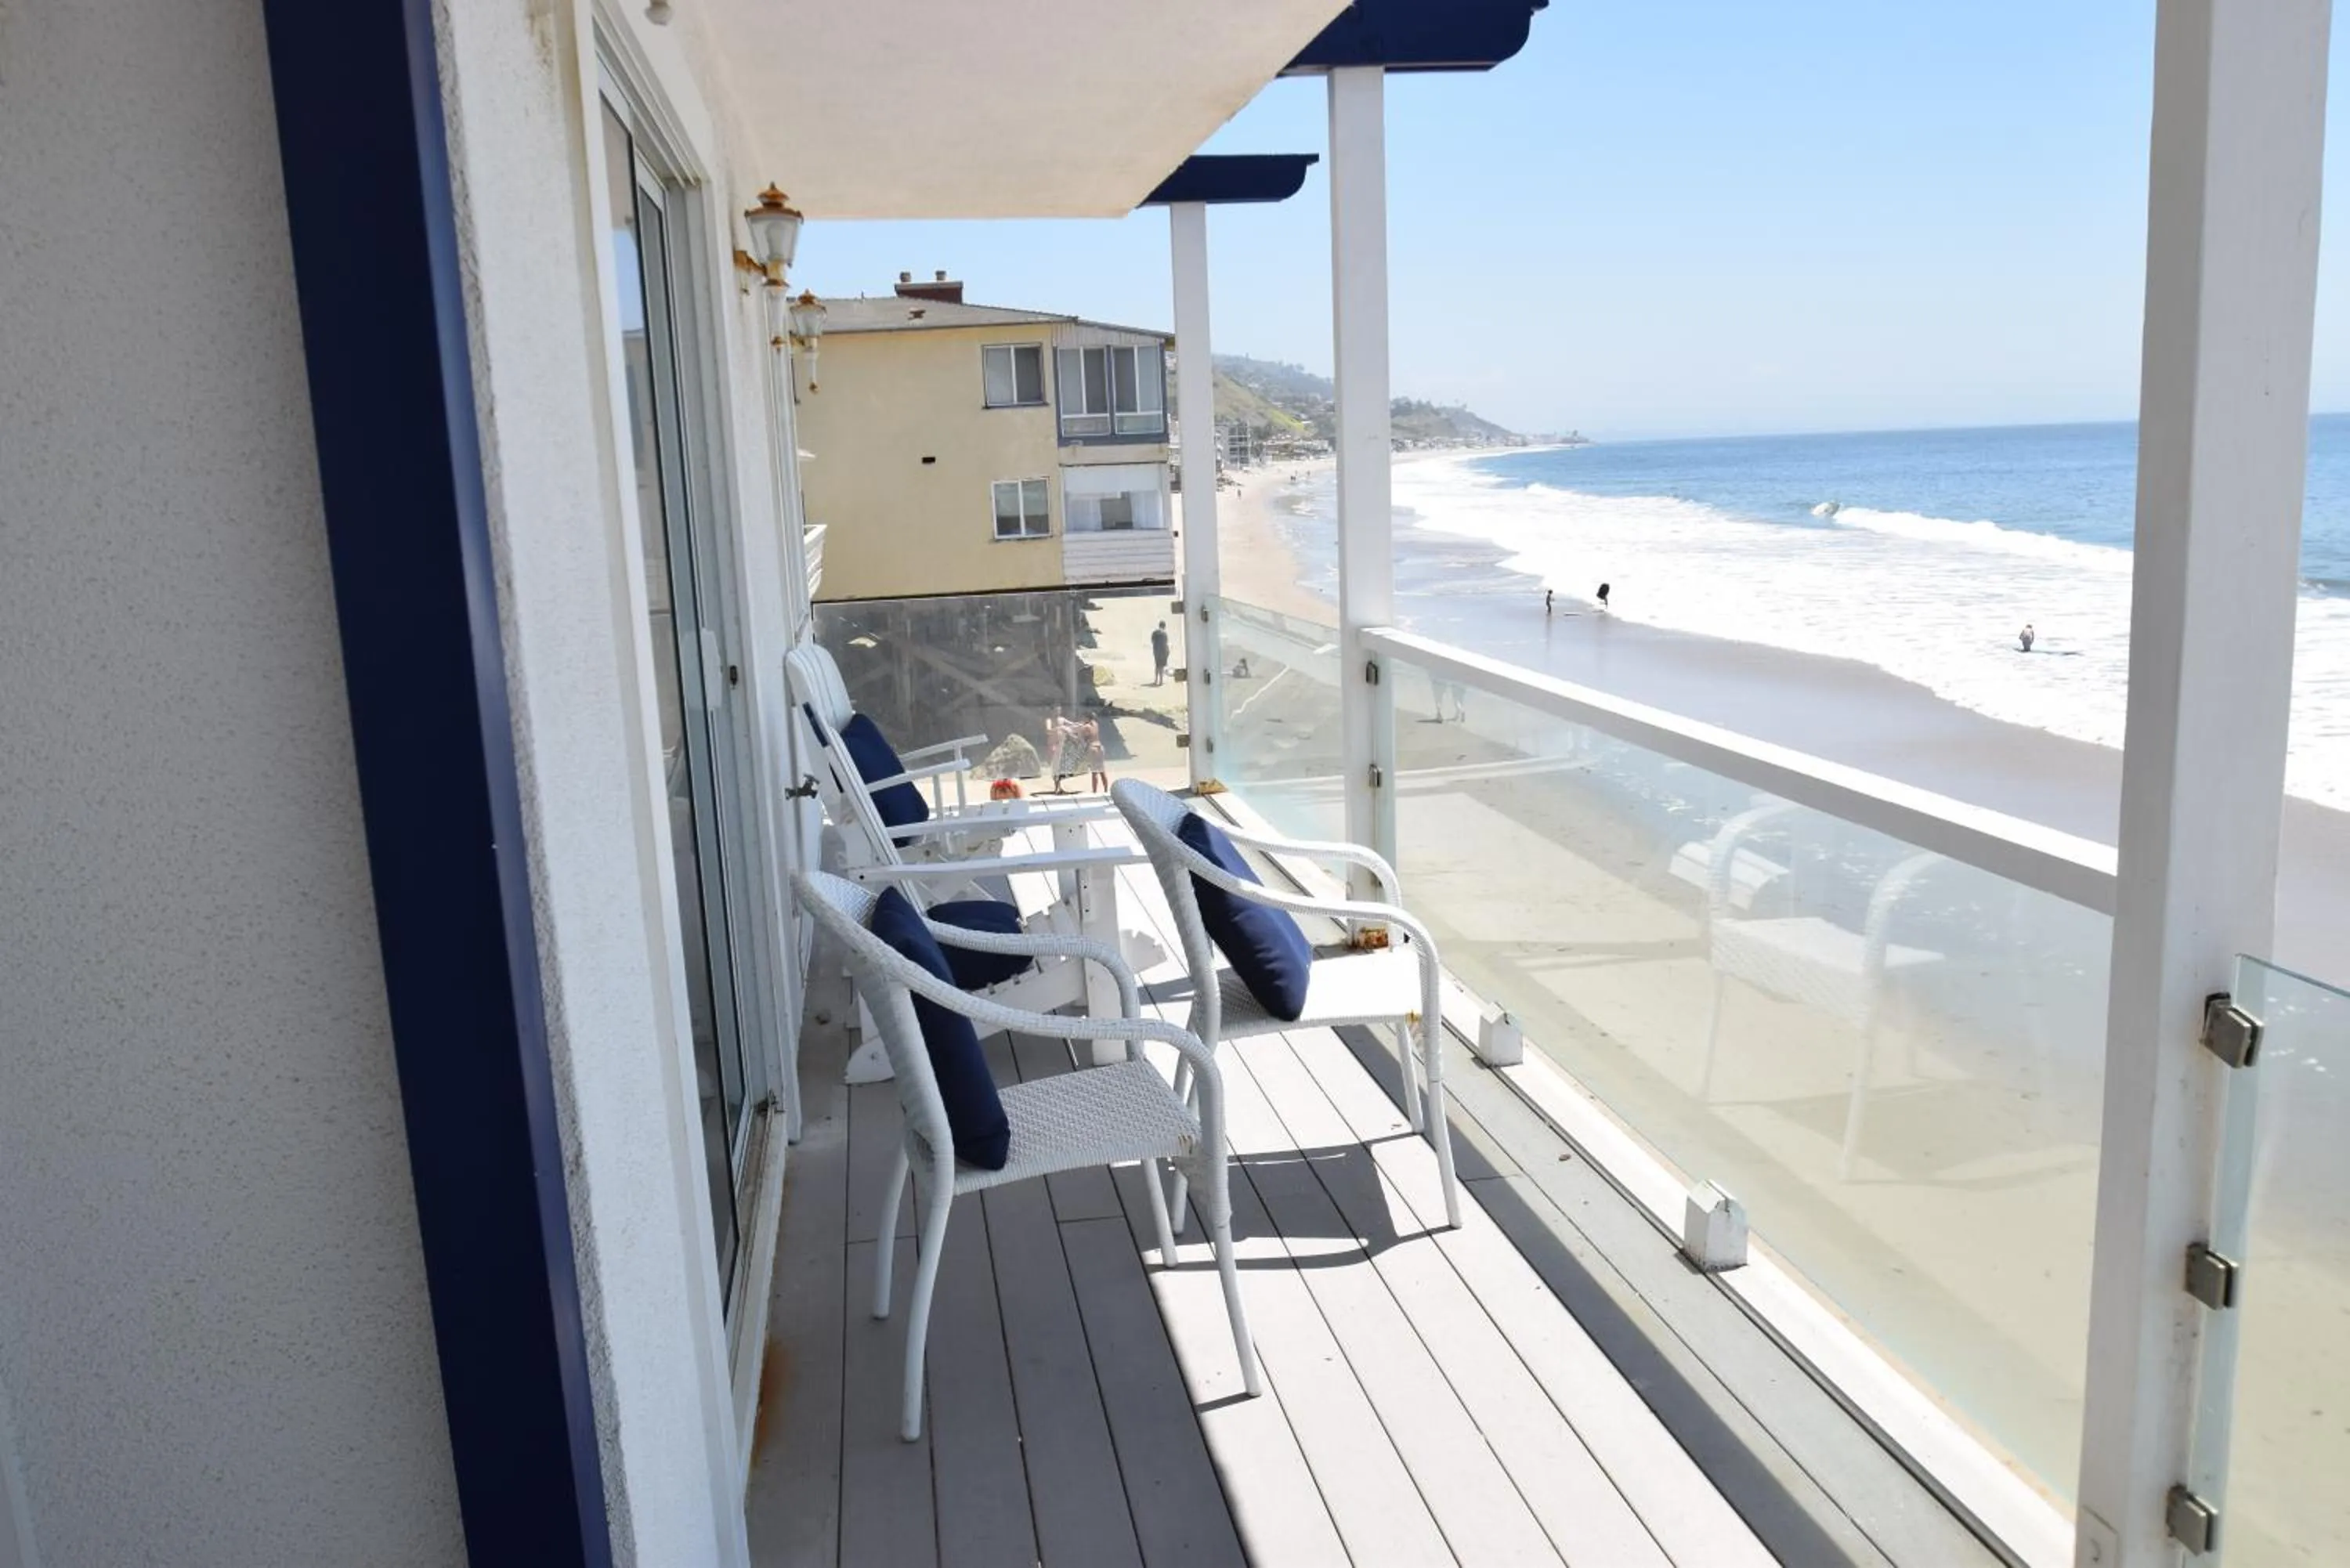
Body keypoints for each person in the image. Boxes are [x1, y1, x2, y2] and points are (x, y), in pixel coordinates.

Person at [1150, 620, 1170, 685]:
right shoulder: (1164, 634)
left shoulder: (1155, 632)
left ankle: (1156, 680)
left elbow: (1152, 641)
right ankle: (1161, 681)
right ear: (1164, 626)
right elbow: (1165, 643)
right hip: (1163, 652)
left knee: (1157, 665)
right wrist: (1168, 652)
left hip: (1156, 651)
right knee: (1161, 667)